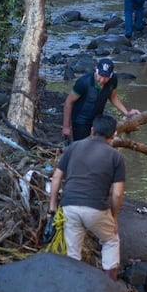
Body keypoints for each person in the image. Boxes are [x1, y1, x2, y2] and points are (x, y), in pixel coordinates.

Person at [48, 114, 125, 281]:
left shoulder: (74, 147)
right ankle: (109, 286)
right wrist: (114, 216)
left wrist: (53, 206)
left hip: (69, 207)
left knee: (73, 253)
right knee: (110, 240)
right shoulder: (116, 156)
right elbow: (117, 193)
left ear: (92, 130)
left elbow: (56, 177)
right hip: (96, 208)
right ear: (113, 135)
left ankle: (74, 288)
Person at [62, 58, 140, 142]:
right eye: (101, 75)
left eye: (106, 77)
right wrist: (66, 127)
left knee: (98, 145)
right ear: (96, 70)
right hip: (81, 121)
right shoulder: (83, 83)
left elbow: (113, 97)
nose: (102, 80)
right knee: (82, 147)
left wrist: (126, 113)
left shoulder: (113, 80)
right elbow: (69, 102)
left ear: (111, 75)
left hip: (97, 120)